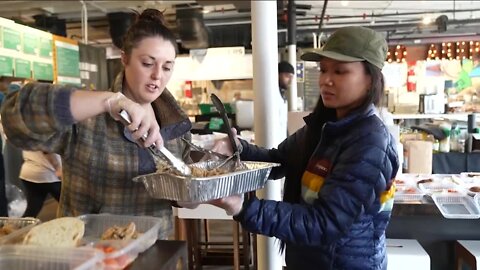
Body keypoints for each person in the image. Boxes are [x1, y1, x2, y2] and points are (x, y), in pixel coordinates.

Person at [209, 26, 399, 269]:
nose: (325, 80)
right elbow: (277, 161)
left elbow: (325, 223)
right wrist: (237, 148)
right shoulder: (323, 127)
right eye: (323, 70)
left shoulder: (370, 142)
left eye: (340, 71)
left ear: (371, 78)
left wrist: (243, 206)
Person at [1, 9, 192, 239]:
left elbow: (183, 198)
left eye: (167, 67)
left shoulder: (174, 126)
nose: (157, 75)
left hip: (154, 250)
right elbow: (15, 118)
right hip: (91, 252)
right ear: (124, 58)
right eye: (147, 63)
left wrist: (198, 190)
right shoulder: (89, 118)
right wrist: (109, 101)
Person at [20, 151, 62, 218]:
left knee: (32, 210)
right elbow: (47, 149)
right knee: (72, 207)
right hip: (49, 174)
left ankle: (19, 227)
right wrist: (58, 169)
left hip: (29, 172)